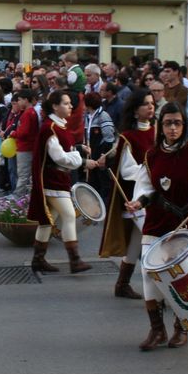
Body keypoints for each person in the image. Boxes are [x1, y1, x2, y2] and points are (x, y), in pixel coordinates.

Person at [126, 102, 188, 351]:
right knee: (148, 273)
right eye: (168, 123)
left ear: (183, 125)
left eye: (177, 123)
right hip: (157, 222)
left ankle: (182, 327)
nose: (172, 128)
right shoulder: (151, 155)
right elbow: (146, 187)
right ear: (161, 126)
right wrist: (138, 202)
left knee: (183, 277)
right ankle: (157, 330)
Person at [27, 90, 98, 274]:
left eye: (69, 103)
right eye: (66, 103)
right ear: (55, 106)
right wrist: (82, 161)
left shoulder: (59, 126)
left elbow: (65, 148)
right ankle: (75, 260)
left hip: (58, 179)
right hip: (53, 181)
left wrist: (78, 148)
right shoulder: (50, 128)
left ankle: (38, 260)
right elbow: (59, 157)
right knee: (68, 215)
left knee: (47, 222)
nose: (70, 106)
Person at [98, 88, 156, 299]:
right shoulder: (128, 137)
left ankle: (122, 284)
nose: (150, 107)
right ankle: (160, 290)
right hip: (135, 198)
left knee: (136, 240)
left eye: (152, 103)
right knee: (152, 240)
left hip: (154, 196)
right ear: (135, 110)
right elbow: (127, 170)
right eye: (145, 104)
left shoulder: (157, 132)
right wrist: (153, 171)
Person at [9, 89, 38, 197]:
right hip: (28, 147)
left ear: (26, 100)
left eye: (20, 100)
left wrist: (14, 133)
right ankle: (26, 195)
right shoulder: (31, 112)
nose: (19, 102)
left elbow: (23, 132)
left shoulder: (27, 113)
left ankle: (18, 196)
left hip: (25, 147)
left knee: (23, 173)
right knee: (26, 174)